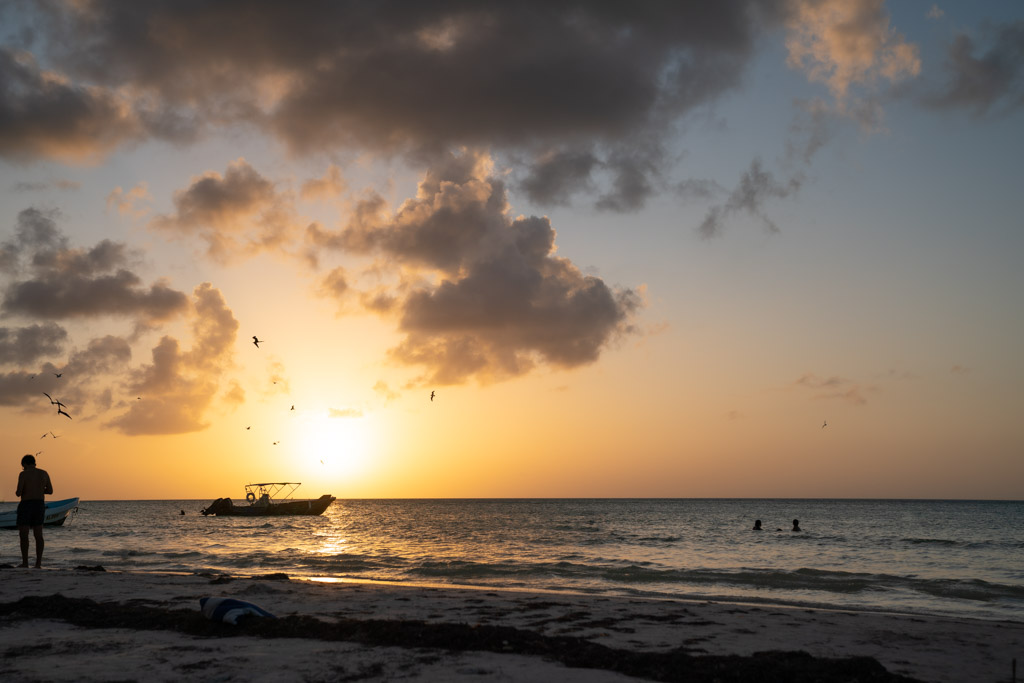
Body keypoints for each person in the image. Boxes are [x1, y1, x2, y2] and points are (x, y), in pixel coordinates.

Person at [16, 454, 53, 568]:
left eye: (23, 466)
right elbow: (50, 490)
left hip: (26, 504)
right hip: (39, 504)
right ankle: (38, 563)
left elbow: (18, 492)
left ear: (25, 464)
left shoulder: (23, 474)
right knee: (38, 534)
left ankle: (25, 563)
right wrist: (39, 490)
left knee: (24, 534)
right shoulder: (44, 473)